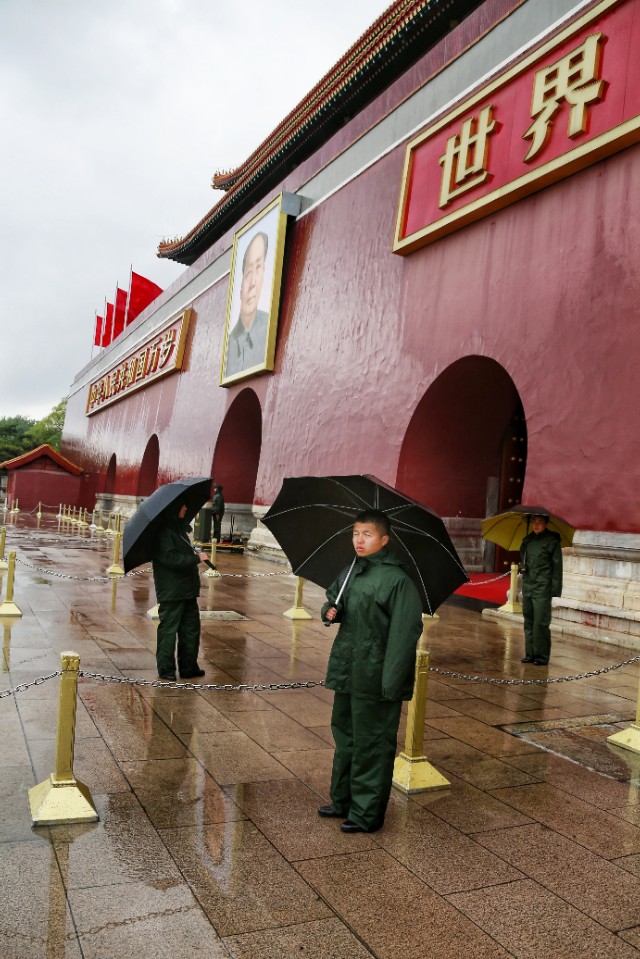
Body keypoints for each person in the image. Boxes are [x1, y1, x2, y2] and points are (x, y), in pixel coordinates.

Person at [319, 509, 423, 833]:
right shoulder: (352, 570)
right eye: (355, 533)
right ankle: (343, 800)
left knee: (372, 745)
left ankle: (366, 814)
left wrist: (390, 684)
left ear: (384, 539)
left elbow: (405, 635)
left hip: (376, 677)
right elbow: (334, 601)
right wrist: (331, 611)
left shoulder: (398, 580)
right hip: (349, 671)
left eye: (366, 534)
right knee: (346, 738)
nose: (358, 540)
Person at [151, 502, 210, 680]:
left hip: (187, 590)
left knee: (191, 630)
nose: (186, 509)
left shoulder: (179, 530)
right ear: (174, 509)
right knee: (169, 631)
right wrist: (195, 559)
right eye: (183, 507)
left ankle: (188, 667)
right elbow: (170, 559)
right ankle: (166, 669)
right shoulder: (163, 532)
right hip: (172, 591)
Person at [520, 512, 563, 666]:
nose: (536, 525)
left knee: (540, 623)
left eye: (539, 522)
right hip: (529, 586)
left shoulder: (552, 542)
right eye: (534, 522)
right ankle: (530, 653)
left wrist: (555, 589)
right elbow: (523, 559)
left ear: (545, 524)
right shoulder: (527, 541)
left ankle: (541, 656)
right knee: (529, 621)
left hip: (542, 587)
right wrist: (522, 566)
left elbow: (557, 567)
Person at [225, 231, 270, 377]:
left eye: (258, 268)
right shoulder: (229, 344)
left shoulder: (269, 327)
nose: (252, 283)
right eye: (249, 272)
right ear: (240, 286)